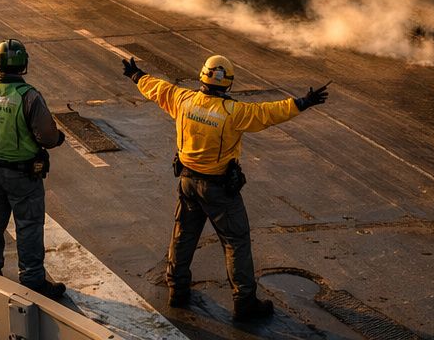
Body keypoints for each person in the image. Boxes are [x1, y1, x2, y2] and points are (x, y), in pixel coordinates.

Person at [124, 53, 328, 321]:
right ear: (228, 83)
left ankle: (177, 290)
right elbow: (268, 113)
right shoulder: (234, 113)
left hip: (187, 182)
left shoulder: (183, 100)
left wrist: (137, 75)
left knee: (183, 235)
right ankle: (244, 302)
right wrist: (303, 102)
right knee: (236, 243)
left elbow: (158, 89)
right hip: (219, 189)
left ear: (202, 76)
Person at [0, 39, 67, 300]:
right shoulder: (29, 96)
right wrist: (58, 139)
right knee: (28, 225)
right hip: (23, 174)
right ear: (23, 65)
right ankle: (32, 280)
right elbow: (47, 137)